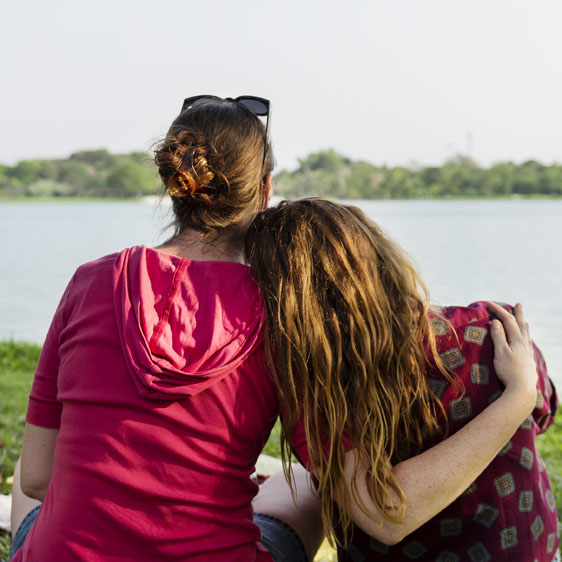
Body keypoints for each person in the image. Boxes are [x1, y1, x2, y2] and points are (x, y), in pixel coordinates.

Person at [7, 99, 551, 562]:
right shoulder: (284, 314)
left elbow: (36, 477)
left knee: (24, 495)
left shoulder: (89, 282)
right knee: (307, 490)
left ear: (173, 187)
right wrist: (519, 396)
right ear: (264, 190)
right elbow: (378, 511)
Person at [244, 198, 559, 562]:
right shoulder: (492, 329)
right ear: (378, 255)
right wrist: (517, 395)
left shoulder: (318, 386)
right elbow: (544, 410)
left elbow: (384, 514)